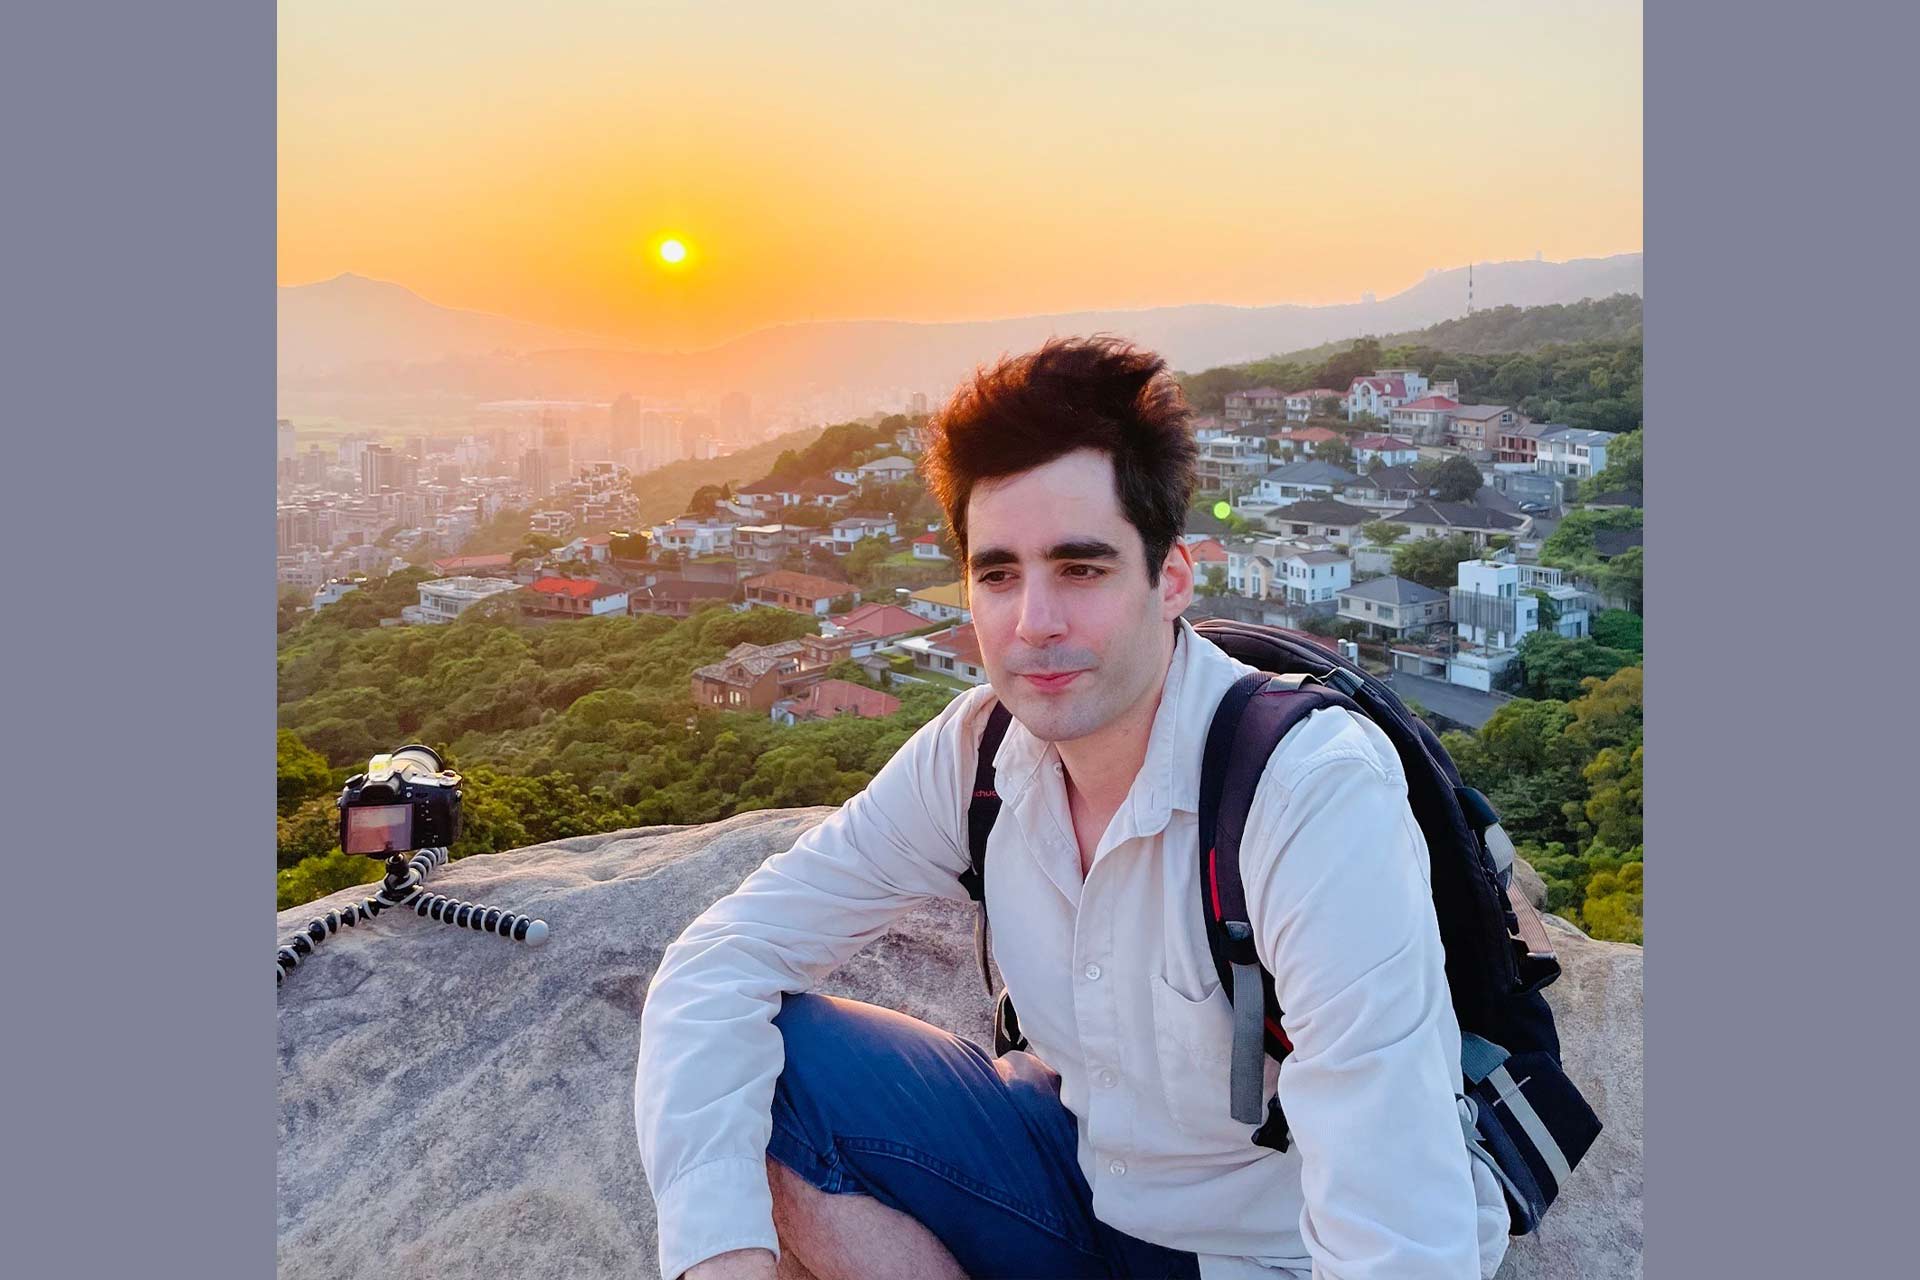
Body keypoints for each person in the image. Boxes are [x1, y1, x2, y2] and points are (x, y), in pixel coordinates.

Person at [635, 337, 1510, 1280]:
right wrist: (721, 1257)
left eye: (1081, 569)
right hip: (1083, 1185)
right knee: (778, 1068)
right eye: (998, 574)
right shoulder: (979, 753)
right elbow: (721, 960)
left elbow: (1398, 1234)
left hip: (1271, 1248)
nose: (1032, 623)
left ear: (1169, 579)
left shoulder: (1304, 791)